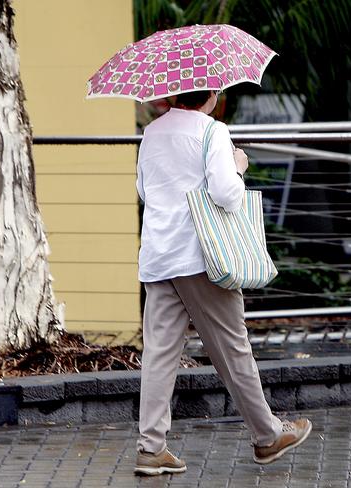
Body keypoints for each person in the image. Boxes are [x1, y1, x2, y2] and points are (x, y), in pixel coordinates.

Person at [134, 89, 312, 476]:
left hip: (159, 256)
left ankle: (151, 448)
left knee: (159, 354)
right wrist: (238, 166)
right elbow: (227, 194)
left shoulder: (152, 132)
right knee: (233, 348)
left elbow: (144, 192)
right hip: (202, 257)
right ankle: (267, 437)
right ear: (211, 93)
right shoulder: (213, 131)